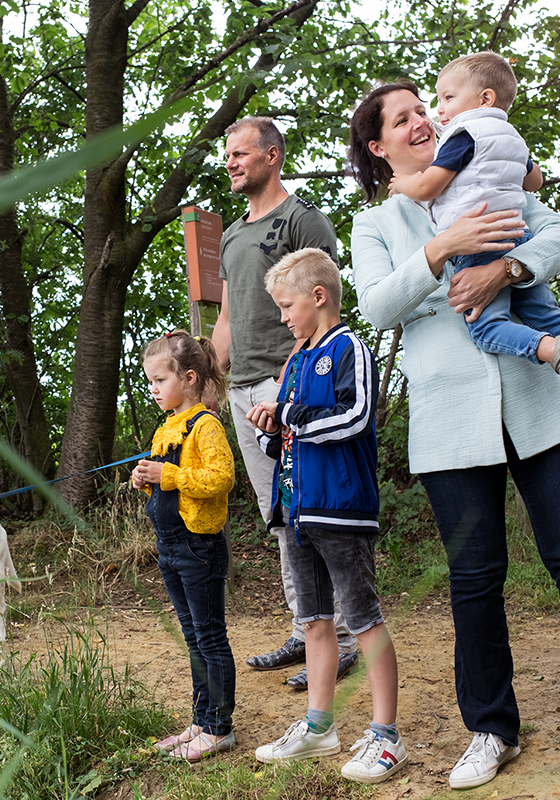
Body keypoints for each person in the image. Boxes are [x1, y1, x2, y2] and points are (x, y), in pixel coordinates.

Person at [346, 81, 560, 788]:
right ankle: (491, 729)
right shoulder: (378, 225)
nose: (422, 121)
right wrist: (444, 250)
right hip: (449, 420)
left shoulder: (484, 166)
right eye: (403, 119)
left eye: (424, 109)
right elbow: (374, 306)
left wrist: (504, 268)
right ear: (379, 146)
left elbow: (559, 233)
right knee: (475, 579)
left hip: (543, 400)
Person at [391, 52, 560, 417]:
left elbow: (431, 185)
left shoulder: (462, 135)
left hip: (478, 243)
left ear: (484, 99)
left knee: (486, 328)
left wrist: (405, 184)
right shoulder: (511, 136)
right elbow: (535, 180)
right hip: (517, 235)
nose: (439, 110)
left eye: (447, 97)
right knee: (547, 312)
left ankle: (554, 351)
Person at [248, 248, 407, 786]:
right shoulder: (294, 362)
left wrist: (289, 415)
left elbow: (355, 417)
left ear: (319, 298)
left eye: (288, 305)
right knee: (315, 622)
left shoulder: (348, 349)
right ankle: (320, 728)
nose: (284, 317)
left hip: (341, 512)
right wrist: (271, 428)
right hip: (297, 511)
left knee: (362, 621)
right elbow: (290, 441)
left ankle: (387, 737)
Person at [212, 116, 359, 688]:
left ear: (273, 155)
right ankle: (309, 631)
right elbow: (226, 319)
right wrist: (208, 377)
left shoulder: (303, 221)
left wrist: (298, 382)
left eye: (241, 153)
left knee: (312, 513)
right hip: (242, 389)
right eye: (228, 155)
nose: (231, 162)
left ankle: (344, 638)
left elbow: (322, 312)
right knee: (279, 517)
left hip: (289, 385)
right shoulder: (229, 235)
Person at [133, 331, 237, 761]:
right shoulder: (166, 426)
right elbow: (166, 487)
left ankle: (220, 728)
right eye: (150, 382)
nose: (154, 389)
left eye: (160, 381)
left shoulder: (205, 425)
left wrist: (167, 476)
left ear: (189, 377)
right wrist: (144, 481)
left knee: (210, 638)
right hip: (170, 547)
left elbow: (221, 479)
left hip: (199, 548)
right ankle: (200, 721)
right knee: (193, 638)